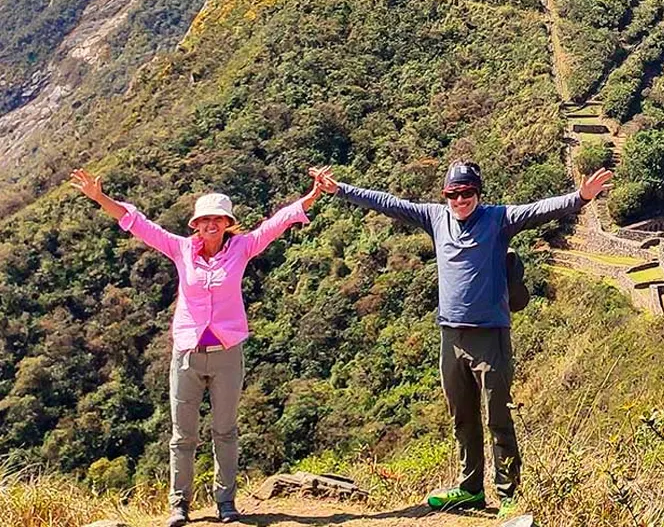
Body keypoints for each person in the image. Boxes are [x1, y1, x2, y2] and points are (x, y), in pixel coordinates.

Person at [312, 161, 611, 514]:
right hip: (451, 336)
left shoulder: (498, 219)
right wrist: (341, 189)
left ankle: (509, 495)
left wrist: (580, 197)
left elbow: (538, 210)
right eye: (453, 194)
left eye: (467, 193)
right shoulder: (436, 218)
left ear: (478, 194)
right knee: (462, 417)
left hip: (490, 336)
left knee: (498, 416)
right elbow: (389, 203)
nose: (460, 200)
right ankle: (470, 488)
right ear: (445, 196)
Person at [69, 167, 329, 527]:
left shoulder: (242, 247)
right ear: (195, 224)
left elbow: (278, 222)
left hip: (227, 354)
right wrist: (100, 197)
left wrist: (311, 196)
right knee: (183, 435)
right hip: (187, 355)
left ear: (227, 223)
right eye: (204, 220)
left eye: (217, 220)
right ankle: (180, 505)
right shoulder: (181, 250)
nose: (210, 226)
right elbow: (139, 223)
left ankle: (226, 503)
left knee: (225, 430)